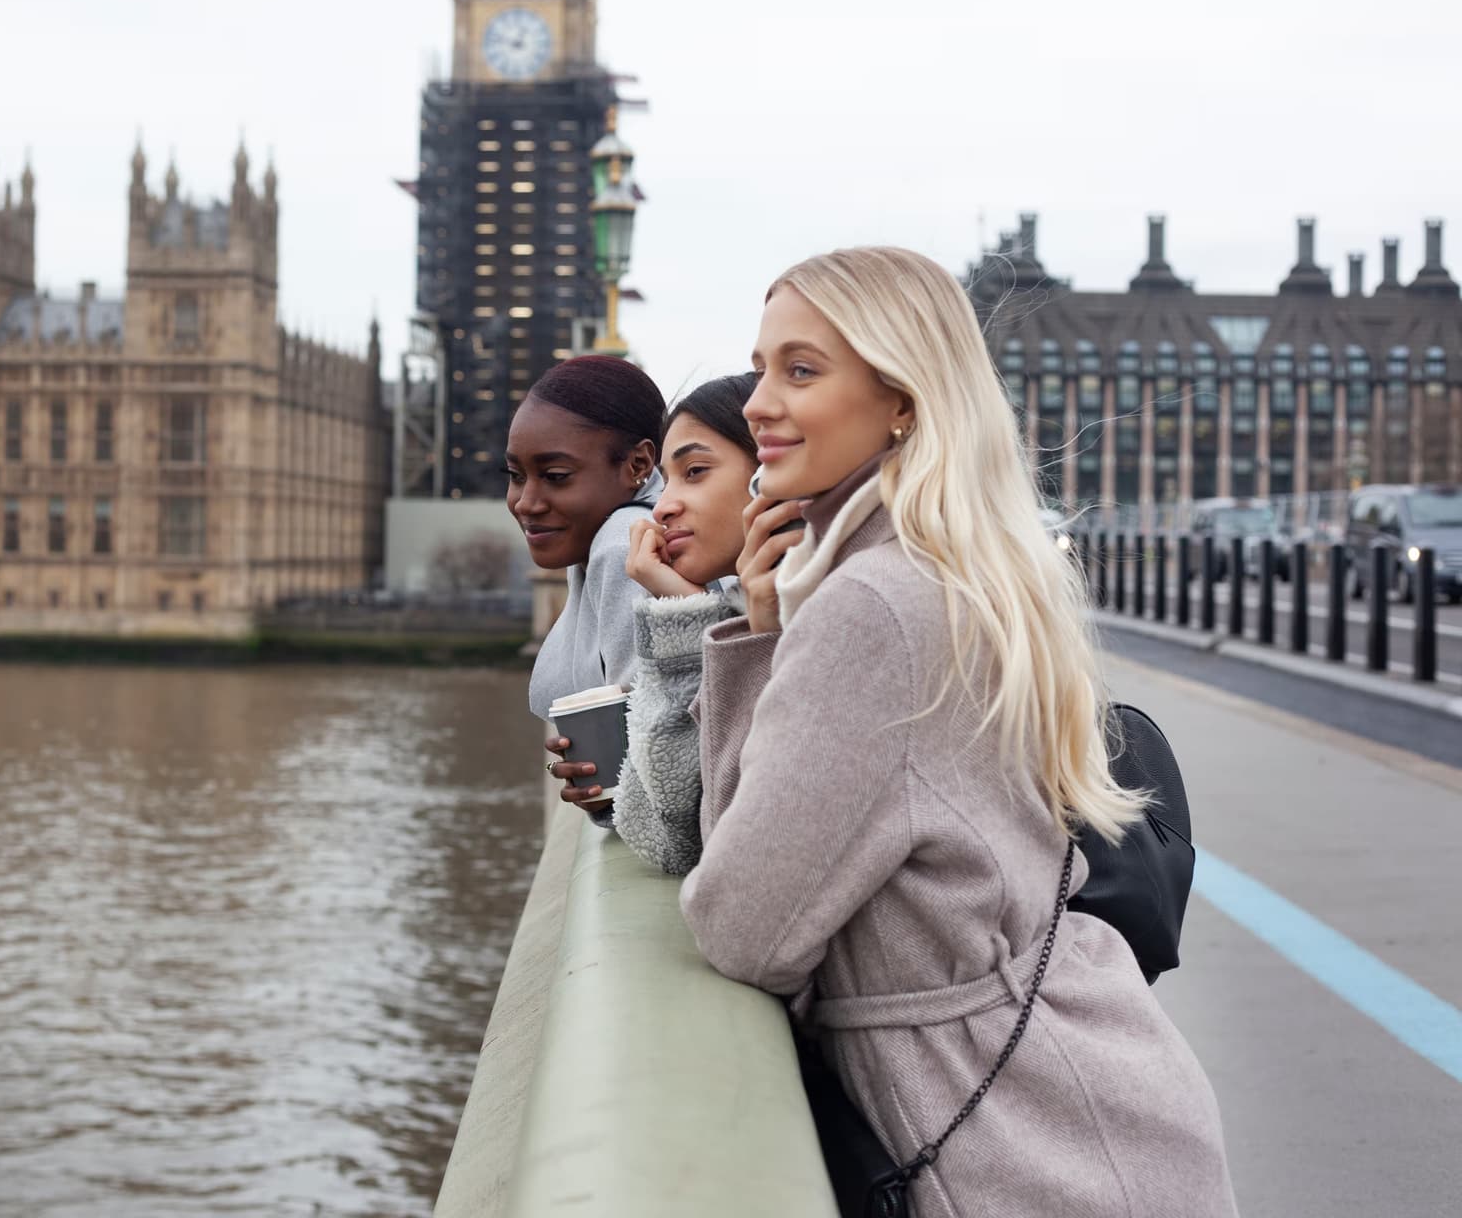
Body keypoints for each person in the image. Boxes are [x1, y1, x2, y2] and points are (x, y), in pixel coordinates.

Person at [680, 247, 1237, 1217]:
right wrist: (764, 633)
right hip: (1077, 1105)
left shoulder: (874, 607)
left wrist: (754, 649)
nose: (760, 402)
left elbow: (739, 923)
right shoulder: (940, 567)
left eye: (801, 370)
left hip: (1029, 1147)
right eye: (761, 367)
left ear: (903, 398)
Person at [555, 373, 800, 874]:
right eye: (667, 481)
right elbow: (670, 826)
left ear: (772, 473)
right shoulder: (745, 608)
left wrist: (690, 616)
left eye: (696, 471)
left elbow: (704, 837)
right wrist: (684, 605)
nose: (664, 506)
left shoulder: (825, 617)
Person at [507, 355, 666, 725]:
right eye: (515, 474)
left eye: (556, 476)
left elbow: (649, 734)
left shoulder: (624, 544)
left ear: (638, 465)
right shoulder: (598, 539)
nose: (525, 502)